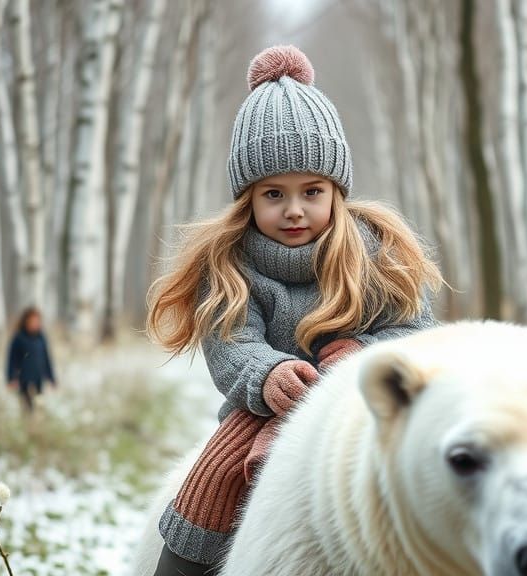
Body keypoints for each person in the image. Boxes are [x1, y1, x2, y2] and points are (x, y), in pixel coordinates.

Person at [145, 45, 443, 575]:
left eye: (312, 190)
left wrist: (358, 353)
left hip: (359, 399)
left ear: (337, 190)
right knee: (211, 481)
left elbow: (415, 330)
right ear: (248, 199)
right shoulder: (231, 263)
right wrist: (269, 373)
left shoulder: (371, 249)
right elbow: (230, 345)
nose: (295, 209)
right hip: (261, 406)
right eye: (273, 194)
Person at [6, 307, 56, 412]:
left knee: (39, 407)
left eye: (37, 321)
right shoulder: (19, 338)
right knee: (27, 409)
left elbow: (46, 358)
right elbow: (12, 359)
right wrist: (11, 378)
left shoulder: (41, 337)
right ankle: (29, 426)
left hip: (38, 379)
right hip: (24, 380)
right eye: (32, 321)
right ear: (26, 321)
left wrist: (51, 378)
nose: (35, 323)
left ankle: (37, 426)